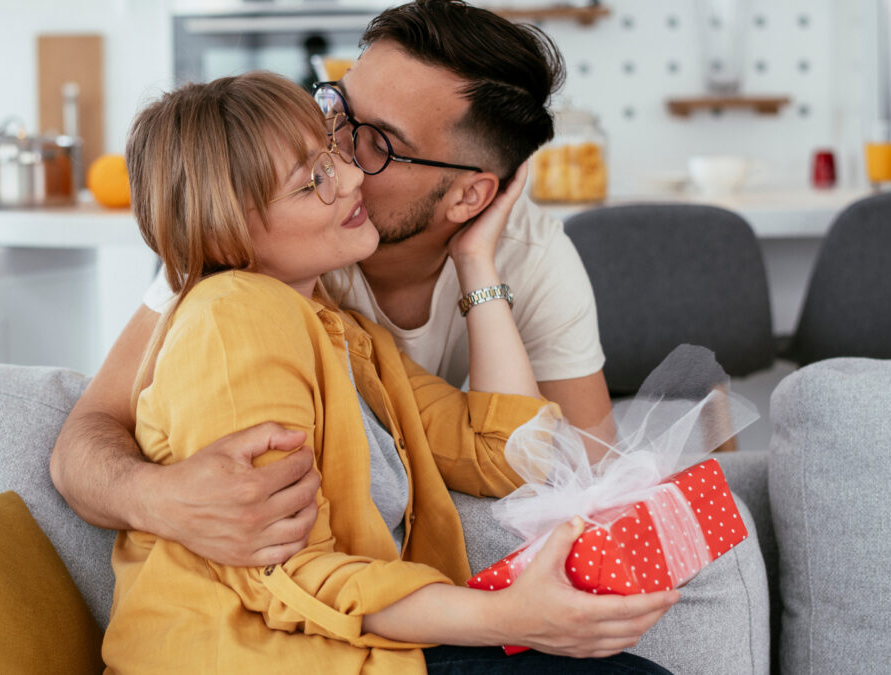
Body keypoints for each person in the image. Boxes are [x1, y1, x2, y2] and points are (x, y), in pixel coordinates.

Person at [52, 0, 659, 658]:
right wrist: (162, 497)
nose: (343, 160)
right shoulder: (230, 297)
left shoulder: (345, 331)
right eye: (336, 113)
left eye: (376, 143)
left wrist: (475, 263)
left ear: (470, 196)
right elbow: (89, 447)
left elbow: (535, 464)